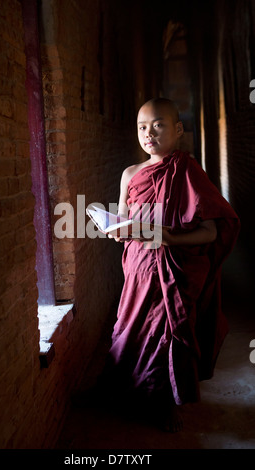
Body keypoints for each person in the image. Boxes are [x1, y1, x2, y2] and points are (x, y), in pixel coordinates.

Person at [101, 97, 240, 432]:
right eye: (142, 127)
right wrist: (112, 228)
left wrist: (170, 238)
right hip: (137, 267)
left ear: (178, 130)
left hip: (173, 268)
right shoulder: (130, 174)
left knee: (166, 333)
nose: (149, 133)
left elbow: (209, 231)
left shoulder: (188, 172)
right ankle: (123, 393)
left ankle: (163, 403)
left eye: (159, 125)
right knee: (128, 329)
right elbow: (121, 220)